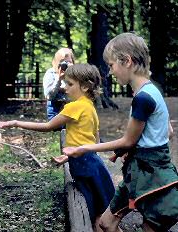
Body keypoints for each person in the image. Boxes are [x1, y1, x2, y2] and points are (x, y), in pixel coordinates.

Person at [63, 32, 178, 232]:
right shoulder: (152, 90)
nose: (110, 72)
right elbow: (167, 131)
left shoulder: (143, 98)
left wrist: (84, 148)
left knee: (149, 226)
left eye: (111, 65)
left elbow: (127, 141)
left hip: (152, 175)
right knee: (106, 223)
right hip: (139, 171)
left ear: (127, 61)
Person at [0, 64, 115, 231]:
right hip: (93, 163)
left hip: (84, 168)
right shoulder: (90, 106)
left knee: (95, 215)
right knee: (100, 214)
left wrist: (15, 122)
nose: (64, 87)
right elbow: (92, 140)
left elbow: (48, 126)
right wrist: (69, 156)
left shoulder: (74, 106)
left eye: (69, 84)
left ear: (85, 86)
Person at [43, 47, 75, 121]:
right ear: (56, 62)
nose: (66, 65)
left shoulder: (75, 74)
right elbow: (49, 96)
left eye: (69, 62)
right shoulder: (51, 73)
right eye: (62, 62)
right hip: (56, 111)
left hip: (72, 110)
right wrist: (59, 79)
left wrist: (72, 75)